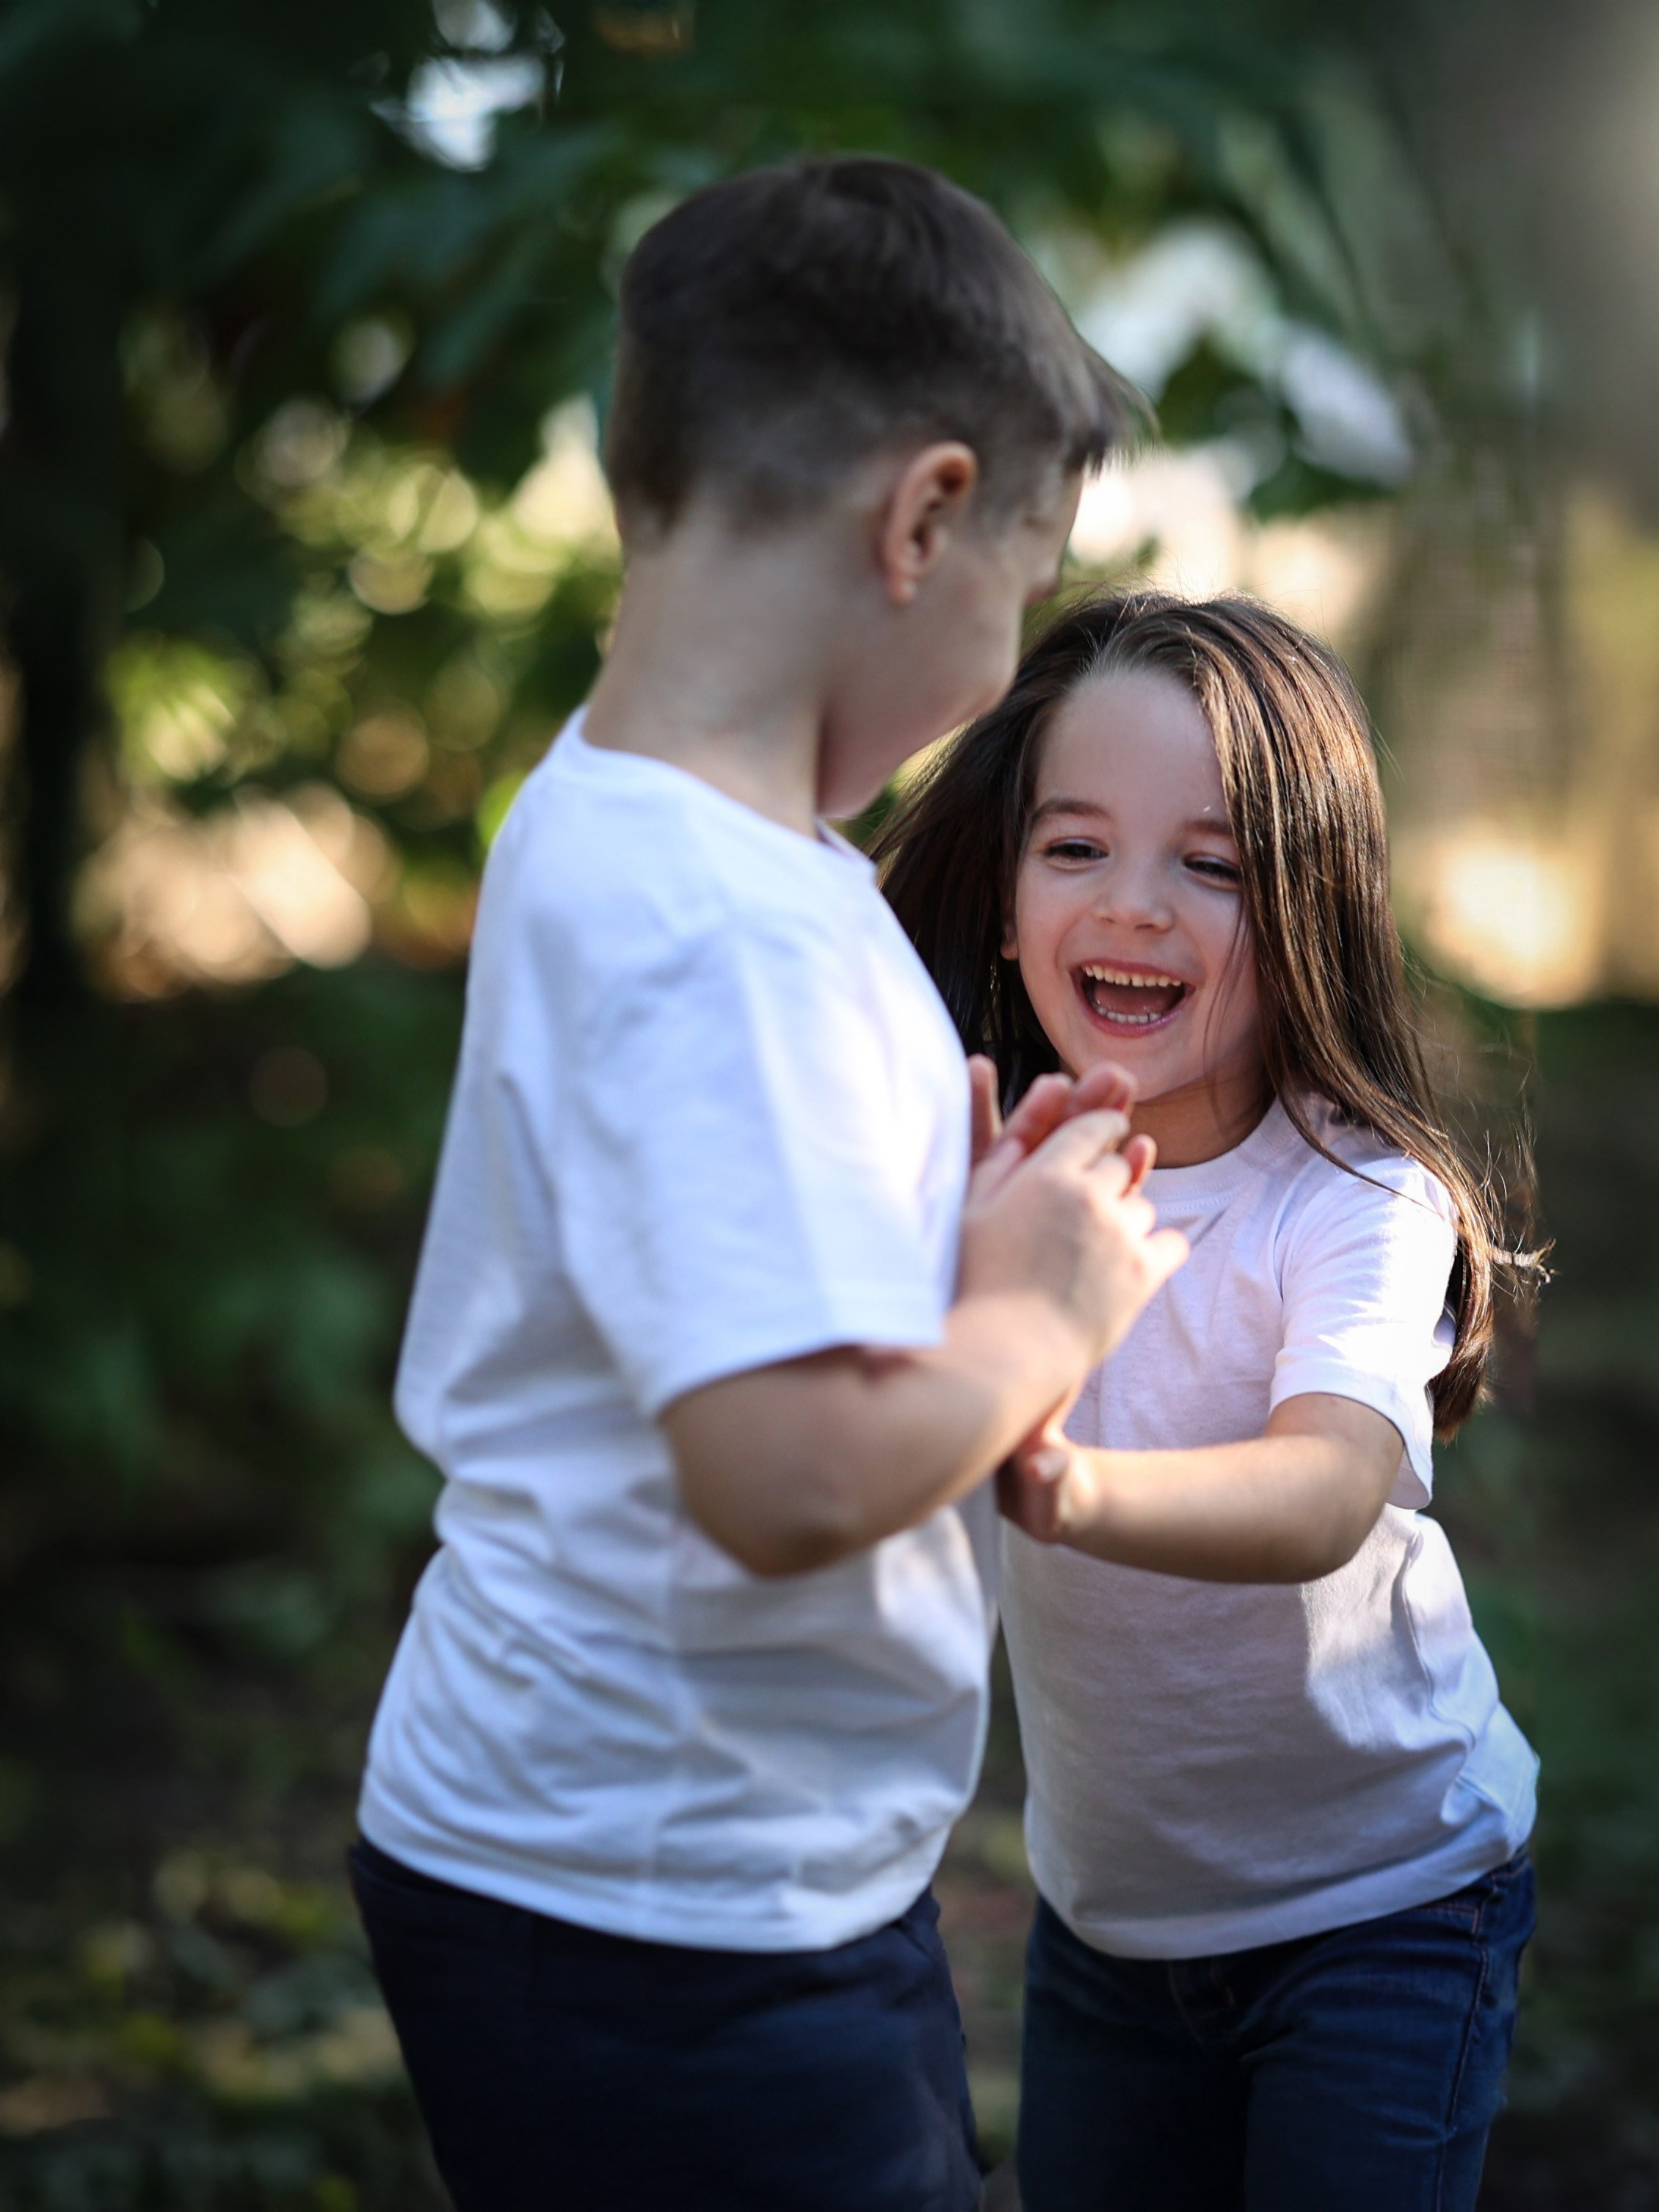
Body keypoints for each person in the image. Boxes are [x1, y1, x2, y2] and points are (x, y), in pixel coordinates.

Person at [350, 161, 1186, 2212]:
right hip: (662, 1906)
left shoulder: (667, 830)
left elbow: (713, 1270)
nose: (1005, 647)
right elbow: (779, 1471)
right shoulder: (712, 924)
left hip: (689, 1854)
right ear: (920, 518)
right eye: (1021, 577)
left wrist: (945, 1240)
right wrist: (1039, 1316)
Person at [878, 590, 1541, 2212]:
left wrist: (1055, 1484)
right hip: (1109, 1925)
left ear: (1308, 897)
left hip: (1383, 1905)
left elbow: (1320, 1493)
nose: (1133, 906)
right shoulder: (979, 1165)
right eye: (1075, 847)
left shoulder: (1348, 1196)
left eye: (1212, 862)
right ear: (1009, 873)